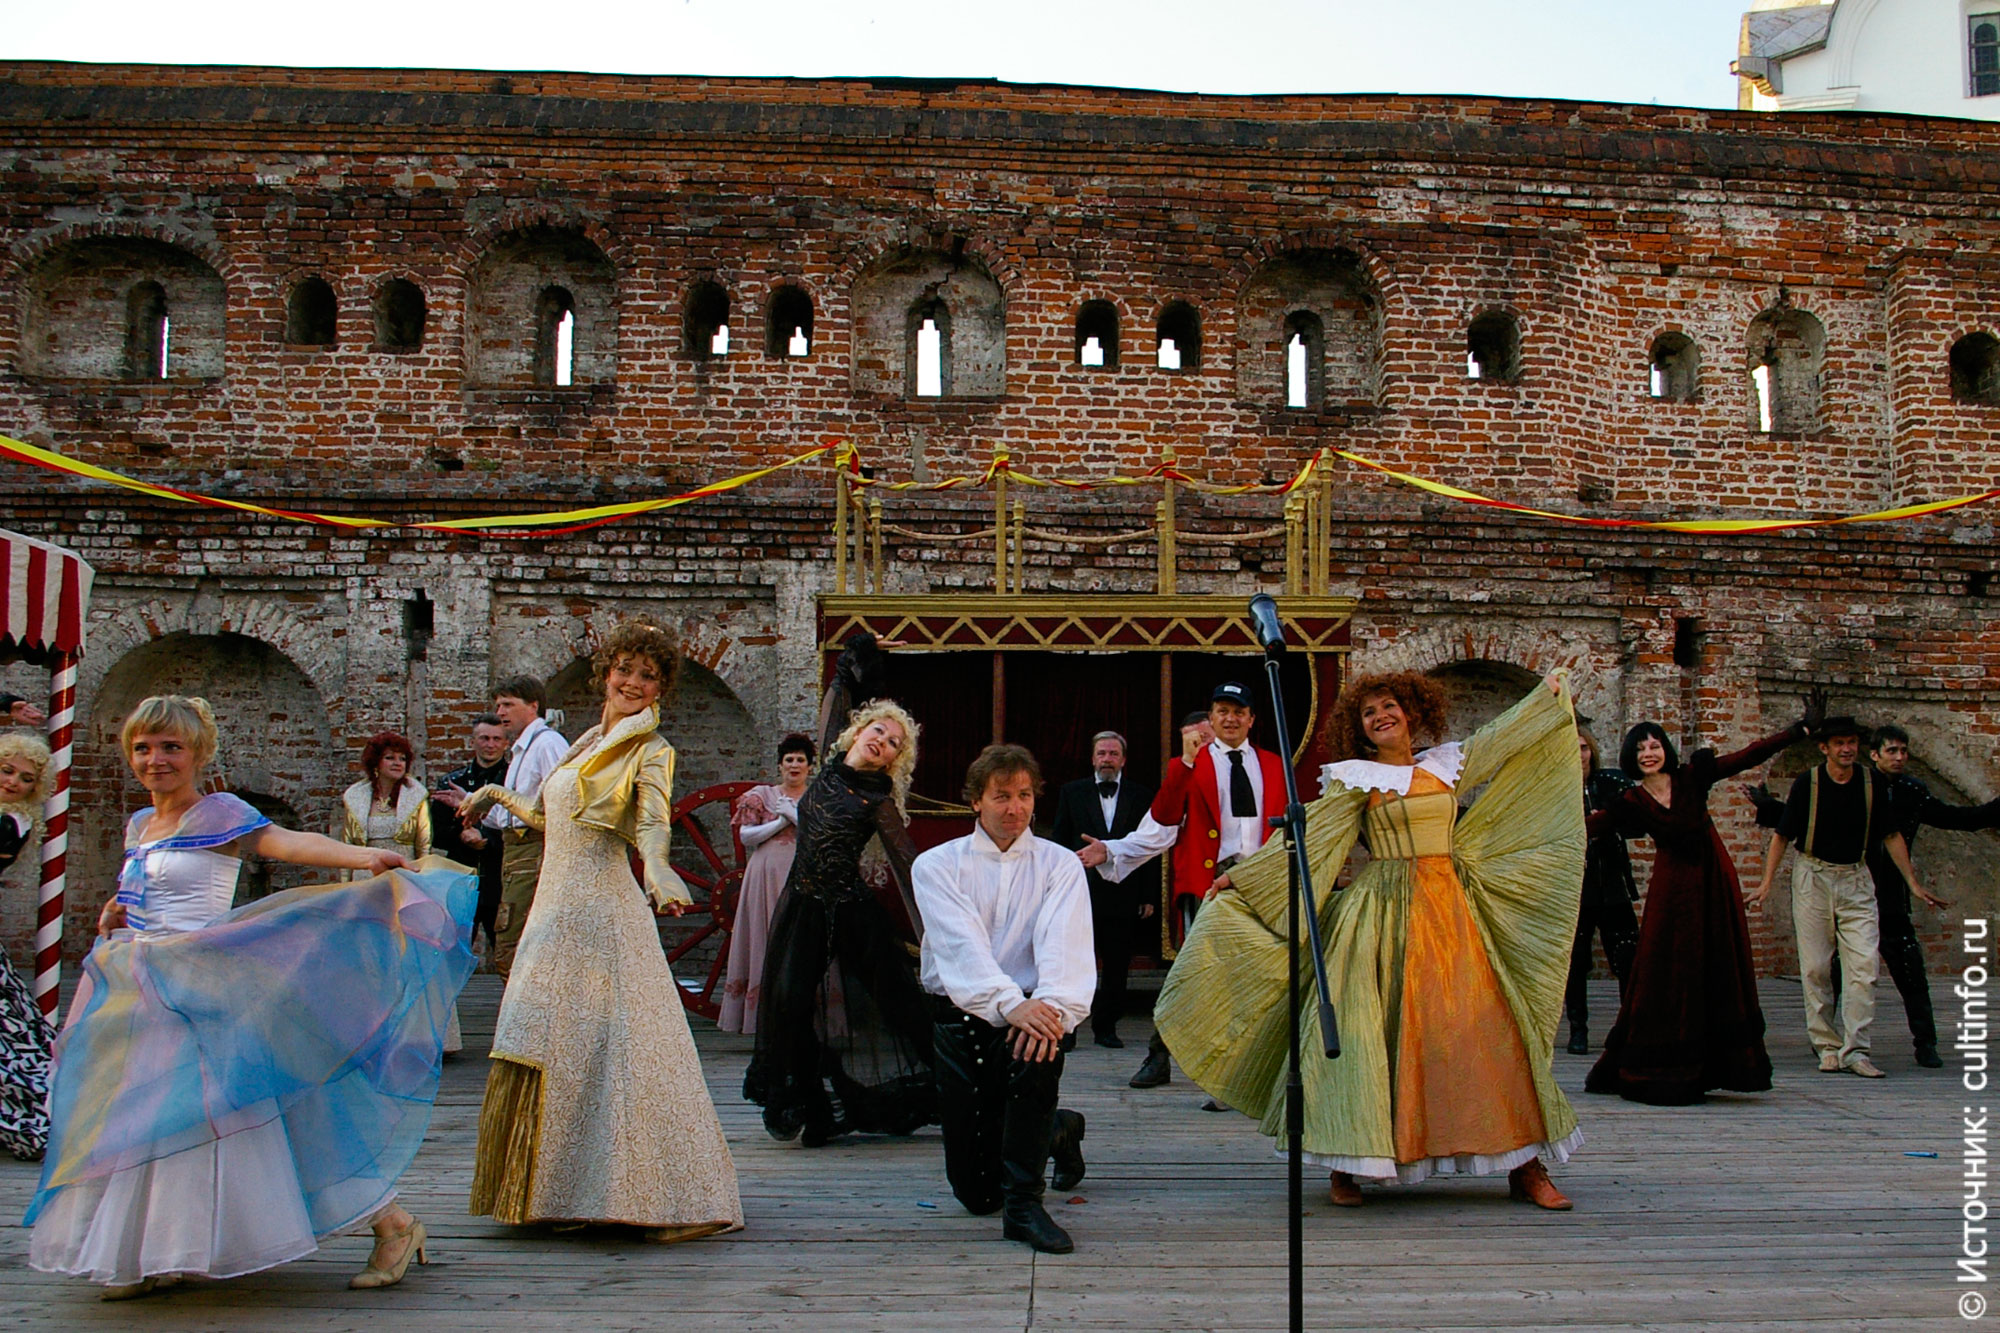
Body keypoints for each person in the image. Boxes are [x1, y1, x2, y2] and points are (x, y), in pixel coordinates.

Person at [27, 695, 473, 1298]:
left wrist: (365, 855)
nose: (156, 760)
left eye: (171, 747)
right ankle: (157, 1252)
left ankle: (393, 1223)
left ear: (198, 753)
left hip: (206, 987)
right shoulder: (140, 825)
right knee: (149, 1119)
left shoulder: (218, 812)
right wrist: (116, 907)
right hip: (141, 988)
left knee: (273, 1111)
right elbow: (148, 884)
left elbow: (287, 843)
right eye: (143, 748)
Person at [1156, 670, 1585, 1211]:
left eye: (1389, 706)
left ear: (1411, 712)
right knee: (1363, 1035)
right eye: (1368, 712)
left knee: (1483, 1031)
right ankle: (1347, 1161)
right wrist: (1243, 879)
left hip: (1452, 914)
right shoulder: (1356, 780)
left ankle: (1524, 1165)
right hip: (1380, 914)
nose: (1381, 716)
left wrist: (1546, 696)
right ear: (1358, 727)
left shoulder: (1447, 765)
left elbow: (1501, 738)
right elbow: (1311, 838)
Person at [461, 619, 743, 1237]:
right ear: (606, 673)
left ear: (661, 687)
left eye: (649, 675)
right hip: (555, 906)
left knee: (622, 1047)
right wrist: (495, 797)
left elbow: (652, 823)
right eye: (625, 669)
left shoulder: (651, 749)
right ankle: (560, 1195)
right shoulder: (587, 741)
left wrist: (660, 871)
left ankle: (670, 1200)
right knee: (551, 1037)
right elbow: (552, 816)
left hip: (602, 909)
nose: (633, 682)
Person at [745, 632, 937, 1146]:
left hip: (851, 911)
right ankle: (814, 1109)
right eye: (879, 730)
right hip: (803, 907)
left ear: (894, 760)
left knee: (900, 1006)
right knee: (788, 1005)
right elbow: (841, 683)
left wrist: (941, 925)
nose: (883, 741)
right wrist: (865, 649)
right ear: (857, 732)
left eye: (894, 743)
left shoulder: (878, 800)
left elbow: (909, 866)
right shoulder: (828, 767)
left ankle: (957, 1088)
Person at [1582, 697, 1823, 1105]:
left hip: (1712, 882)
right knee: (1663, 968)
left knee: (1715, 963)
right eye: (1640, 749)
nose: (1649, 753)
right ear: (1631, 758)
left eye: (1655, 745)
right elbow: (1590, 826)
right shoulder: (1632, 801)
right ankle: (1664, 1064)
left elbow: (1746, 756)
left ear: (1665, 750)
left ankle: (1716, 1065)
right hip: (1671, 891)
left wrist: (1798, 731)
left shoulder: (1693, 776)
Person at [915, 744, 1095, 1254]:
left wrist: (1051, 1009)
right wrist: (1007, 1002)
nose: (1015, 808)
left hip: (1033, 1016)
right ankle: (1058, 1130)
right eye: (1001, 796)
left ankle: (1024, 1207)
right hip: (961, 1015)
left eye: (1024, 795)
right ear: (976, 800)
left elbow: (1065, 944)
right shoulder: (936, 865)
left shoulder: (1060, 865)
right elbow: (961, 947)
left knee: (1038, 1047)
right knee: (976, 1194)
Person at [1749, 724, 2000, 1069]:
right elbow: (1803, 825)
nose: (1899, 757)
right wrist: (1768, 826)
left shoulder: (1899, 789)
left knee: (1883, 968)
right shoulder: (1829, 782)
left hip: (1874, 886)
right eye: (1891, 751)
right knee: (1823, 967)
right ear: (1873, 754)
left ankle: (1891, 1046)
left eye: (1903, 751)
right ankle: (1827, 1044)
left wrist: (1913, 882)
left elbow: (1929, 824)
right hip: (1827, 878)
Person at [1079, 682, 1288, 1089]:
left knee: (1257, 977)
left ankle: (1246, 1068)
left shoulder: (1274, 766)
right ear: (1211, 718)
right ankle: (1161, 1054)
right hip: (1210, 885)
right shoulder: (1190, 766)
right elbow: (1161, 826)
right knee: (1194, 974)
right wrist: (1113, 850)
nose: (1230, 719)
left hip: (1261, 883)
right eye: (1222, 711)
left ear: (1251, 720)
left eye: (1238, 712)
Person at [1751, 715, 1927, 1080]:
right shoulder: (1809, 783)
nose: (1847, 749)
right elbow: (1782, 835)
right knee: (1816, 967)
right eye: (1839, 744)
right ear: (1824, 748)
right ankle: (1827, 1045)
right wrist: (1766, 882)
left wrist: (1912, 882)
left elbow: (1891, 834)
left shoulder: (1871, 782)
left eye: (1851, 743)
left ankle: (1856, 1049)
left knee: (1864, 966)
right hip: (1813, 875)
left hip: (1856, 877)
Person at [439, 676, 568, 979]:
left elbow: (561, 805)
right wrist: (470, 801)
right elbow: (508, 814)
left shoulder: (547, 744)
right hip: (516, 853)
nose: (500, 712)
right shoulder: (522, 750)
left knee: (515, 947)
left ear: (533, 706)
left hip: (533, 852)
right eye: (498, 705)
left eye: (508, 704)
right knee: (511, 944)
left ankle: (530, 1008)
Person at [1049, 730, 1156, 1048]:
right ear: (1092, 758)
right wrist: (1056, 887)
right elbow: (1060, 840)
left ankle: (1106, 1028)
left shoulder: (1141, 796)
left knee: (1117, 966)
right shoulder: (1072, 792)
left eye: (1113, 754)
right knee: (1072, 964)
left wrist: (1148, 895)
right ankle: (1067, 1030)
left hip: (1124, 892)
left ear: (1123, 760)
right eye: (1101, 753)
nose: (1107, 759)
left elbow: (1150, 849)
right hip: (1079, 892)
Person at [719, 732, 816, 1034]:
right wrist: (780, 822)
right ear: (780, 765)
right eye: (789, 760)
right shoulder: (761, 795)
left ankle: (802, 1017)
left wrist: (795, 816)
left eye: (801, 760)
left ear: (810, 766)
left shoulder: (816, 798)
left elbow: (821, 834)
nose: (794, 765)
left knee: (801, 940)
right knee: (766, 935)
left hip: (804, 876)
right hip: (765, 876)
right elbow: (746, 836)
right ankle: (762, 1017)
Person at [1565, 726, 1639, 1055]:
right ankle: (1578, 1029)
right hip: (1574, 887)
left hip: (1611, 884)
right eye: (1572, 748)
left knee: (1627, 957)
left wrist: (1608, 821)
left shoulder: (1611, 783)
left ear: (1591, 751)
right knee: (1576, 962)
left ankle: (1630, 1027)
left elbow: (1637, 824)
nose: (1579, 754)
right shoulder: (1555, 788)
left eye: (1583, 747)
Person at [0, 732, 55, 1161]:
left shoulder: (13, 823)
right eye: (6, 771)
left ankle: (35, 1117)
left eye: (25, 778)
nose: (14, 782)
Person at [431, 714, 510, 960]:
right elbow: (437, 833)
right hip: (461, 875)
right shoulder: (452, 782)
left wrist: (486, 838)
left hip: (501, 877)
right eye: (484, 738)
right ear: (473, 741)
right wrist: (462, 834)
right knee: (453, 952)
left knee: (507, 952)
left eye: (497, 739)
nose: (490, 744)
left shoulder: (514, 781)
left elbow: (522, 827)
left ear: (506, 743)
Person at [341, 730, 432, 871]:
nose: (398, 763)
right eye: (390, 758)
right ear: (376, 762)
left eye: (402, 759)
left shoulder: (416, 796)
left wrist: (422, 879)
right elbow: (347, 847)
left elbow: (424, 847)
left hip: (404, 874)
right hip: (365, 876)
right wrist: (346, 882)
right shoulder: (355, 797)